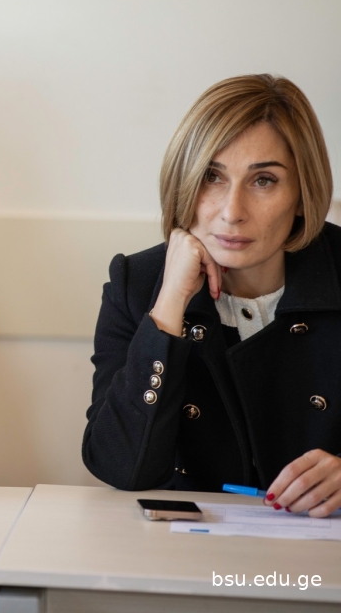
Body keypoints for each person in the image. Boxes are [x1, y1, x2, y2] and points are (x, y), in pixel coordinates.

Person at [83, 74, 340, 516]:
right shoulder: (137, 283)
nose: (232, 212)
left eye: (264, 181)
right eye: (212, 177)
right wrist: (169, 307)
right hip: (187, 548)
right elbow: (120, 467)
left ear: (302, 194)